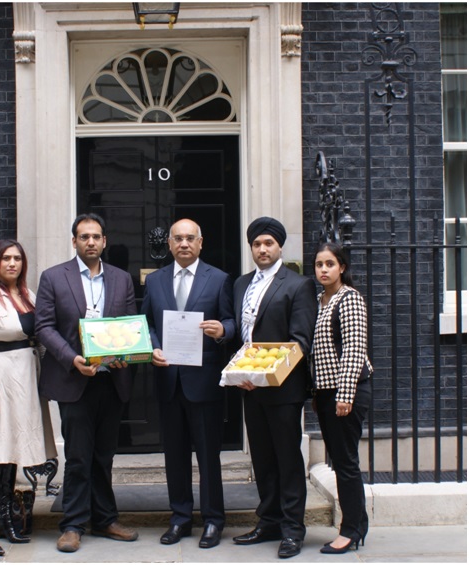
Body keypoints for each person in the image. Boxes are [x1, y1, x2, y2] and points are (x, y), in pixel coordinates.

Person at [35, 213, 139, 553]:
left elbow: (126, 324)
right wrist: (71, 359)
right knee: (79, 456)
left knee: (104, 456)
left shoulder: (121, 279)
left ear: (104, 241)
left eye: (96, 236)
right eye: (84, 237)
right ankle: (73, 524)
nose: (90, 242)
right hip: (73, 380)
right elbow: (44, 327)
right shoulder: (53, 277)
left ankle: (105, 519)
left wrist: (126, 353)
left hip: (110, 381)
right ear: (74, 242)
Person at [141, 218, 236, 549]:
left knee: (209, 456)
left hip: (204, 381)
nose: (183, 244)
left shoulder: (220, 279)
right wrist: (152, 344)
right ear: (169, 244)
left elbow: (231, 321)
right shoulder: (154, 281)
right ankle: (180, 518)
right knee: (175, 455)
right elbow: (147, 322)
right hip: (169, 380)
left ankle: (213, 520)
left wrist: (223, 331)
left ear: (200, 243)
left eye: (189, 238)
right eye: (178, 238)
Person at [0, 239, 57, 557]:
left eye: (17, 258)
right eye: (6, 259)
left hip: (25, 381)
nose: (12, 264)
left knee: (12, 450)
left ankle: (4, 516)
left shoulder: (28, 296)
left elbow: (42, 336)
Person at [232, 217, 317, 559]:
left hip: (283, 389)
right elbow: (240, 337)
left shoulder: (298, 285)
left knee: (287, 459)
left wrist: (266, 372)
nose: (262, 249)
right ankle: (268, 521)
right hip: (249, 387)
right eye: (256, 244)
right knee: (263, 459)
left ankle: (292, 529)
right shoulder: (240, 285)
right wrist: (242, 373)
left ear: (279, 246)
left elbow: (300, 341)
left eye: (268, 243)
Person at [312, 241, 372, 554]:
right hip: (325, 392)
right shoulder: (320, 300)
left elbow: (353, 348)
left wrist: (344, 394)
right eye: (319, 264)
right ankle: (357, 523)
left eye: (330, 264)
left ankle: (350, 530)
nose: (324, 269)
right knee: (341, 460)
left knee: (346, 463)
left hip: (344, 392)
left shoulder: (349, 299)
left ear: (342, 268)